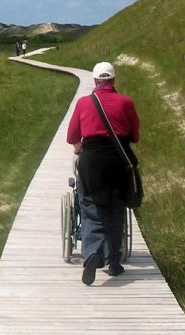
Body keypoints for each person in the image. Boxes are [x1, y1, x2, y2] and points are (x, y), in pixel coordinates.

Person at [66, 61, 140, 285]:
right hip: (118, 162)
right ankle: (114, 262)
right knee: (116, 209)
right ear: (113, 80)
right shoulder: (126, 102)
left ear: (95, 81)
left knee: (91, 208)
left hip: (91, 163)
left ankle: (92, 254)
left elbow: (72, 137)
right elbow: (134, 136)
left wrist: (80, 147)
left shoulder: (84, 103)